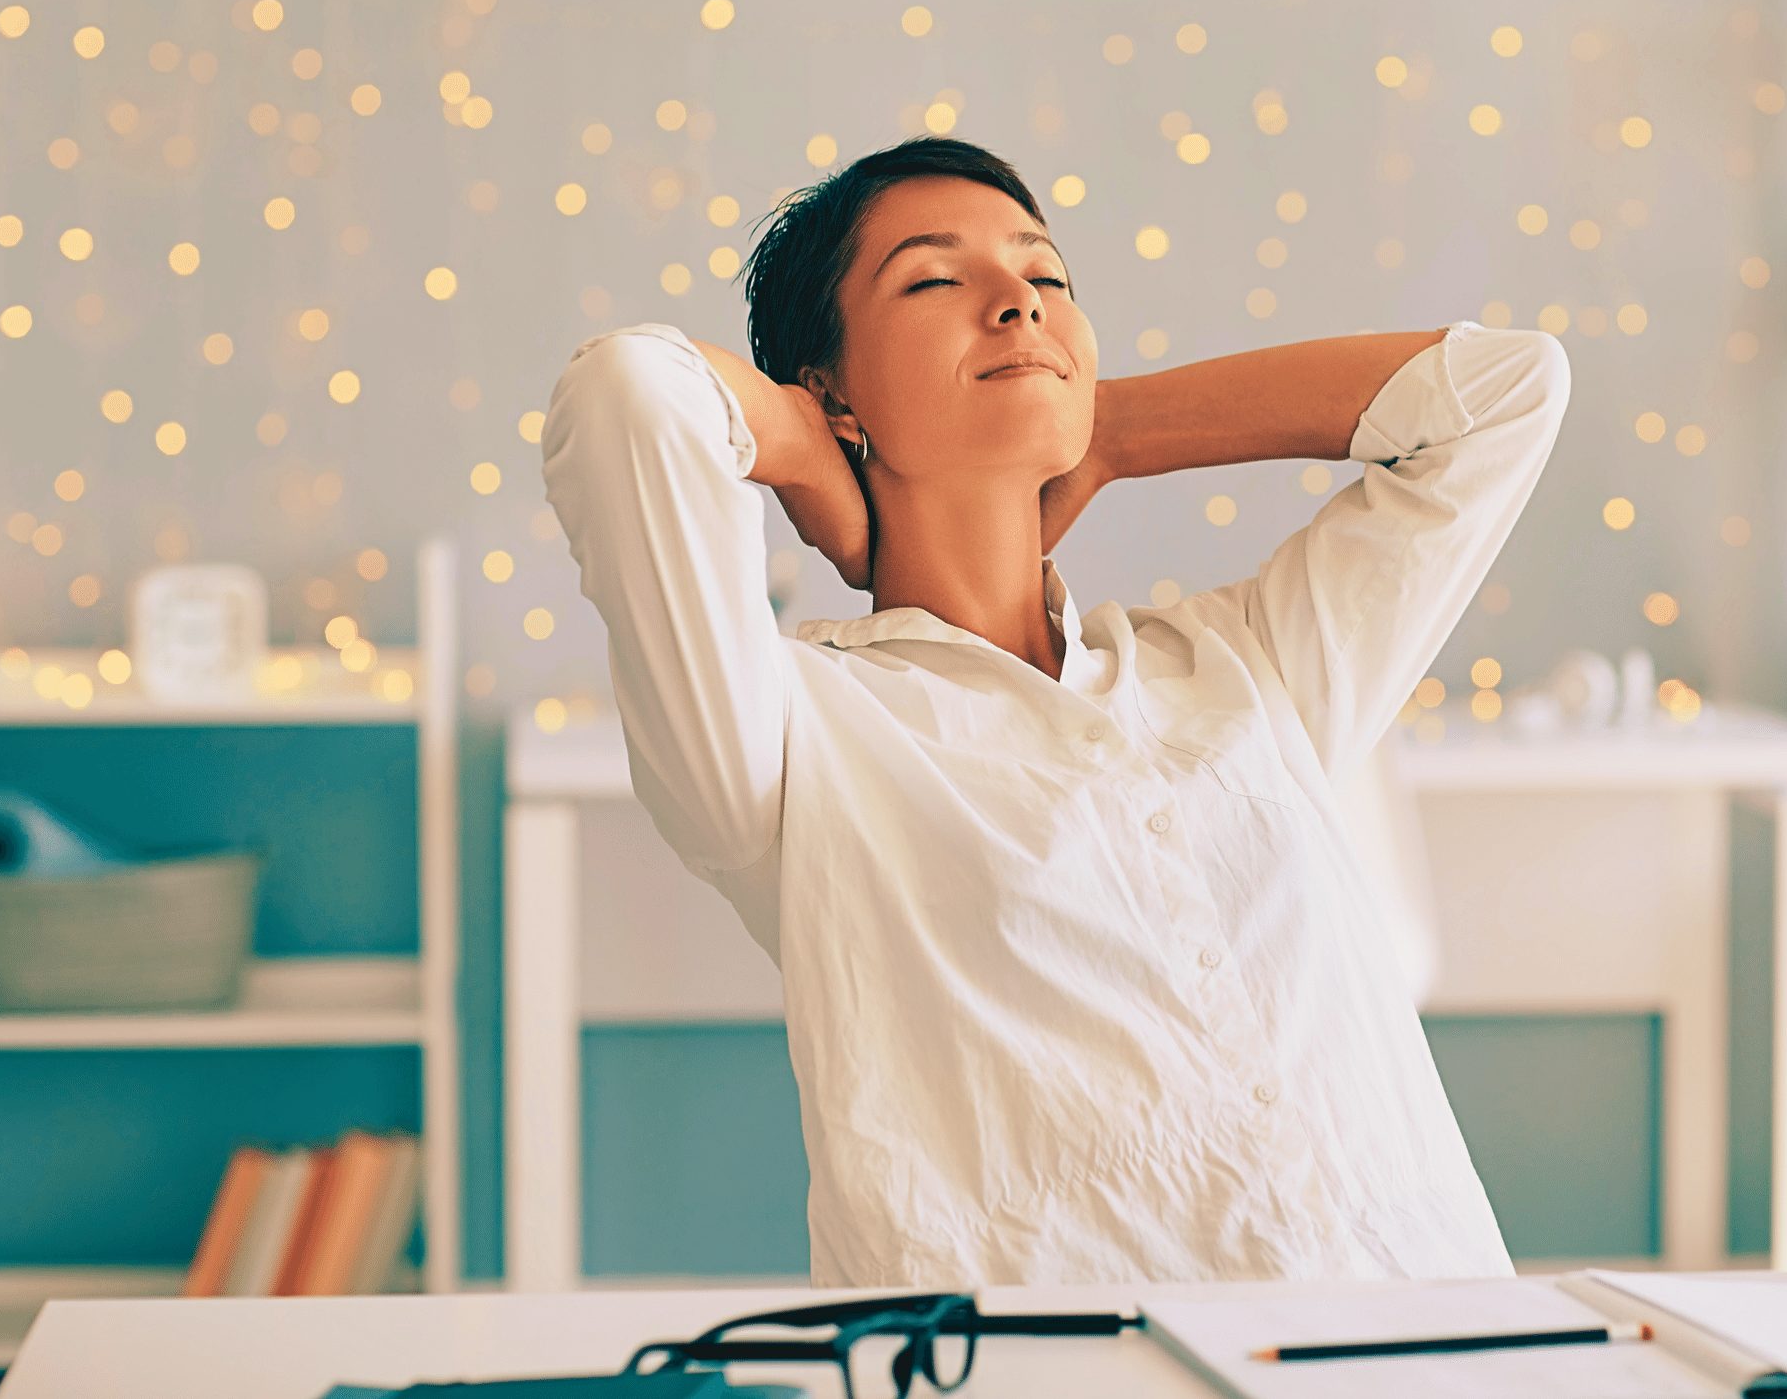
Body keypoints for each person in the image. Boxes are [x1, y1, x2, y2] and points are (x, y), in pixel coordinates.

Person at [541, 136, 1572, 1287]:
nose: (1017, 307)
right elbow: (625, 396)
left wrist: (1119, 429)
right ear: (830, 387)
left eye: (1048, 281)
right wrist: (802, 455)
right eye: (935, 280)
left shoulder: (1246, 671)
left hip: (1438, 1345)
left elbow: (1506, 393)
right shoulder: (791, 742)